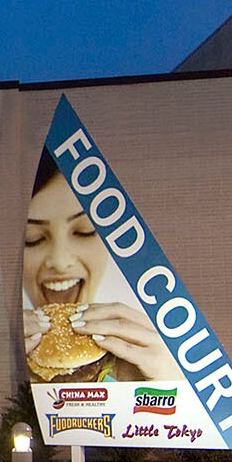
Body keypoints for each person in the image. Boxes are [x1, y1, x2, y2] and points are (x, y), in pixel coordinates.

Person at [22, 155, 179, 383]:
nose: (60, 261)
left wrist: (170, 386)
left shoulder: (150, 346)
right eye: (32, 238)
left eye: (84, 230)